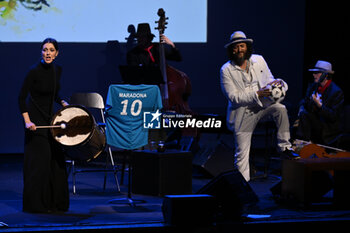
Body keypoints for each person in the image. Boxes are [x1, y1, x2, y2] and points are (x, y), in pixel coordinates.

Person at [220, 31, 299, 181]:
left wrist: (279, 83)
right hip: (243, 114)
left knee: (280, 109)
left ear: (247, 47)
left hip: (263, 107)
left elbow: (270, 80)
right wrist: (257, 94)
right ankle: (243, 191)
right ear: (231, 50)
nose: (239, 50)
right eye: (235, 48)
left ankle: (284, 147)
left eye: (242, 46)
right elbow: (233, 97)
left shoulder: (259, 60)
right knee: (242, 155)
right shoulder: (226, 70)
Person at [18, 37, 69, 213]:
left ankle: (55, 203)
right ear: (41, 52)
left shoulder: (58, 70)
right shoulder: (34, 71)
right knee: (40, 163)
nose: (48, 53)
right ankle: (35, 205)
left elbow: (54, 92)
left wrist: (62, 101)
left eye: (51, 50)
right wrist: (27, 121)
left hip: (51, 121)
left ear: (57, 53)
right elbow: (21, 98)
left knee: (56, 161)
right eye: (45, 50)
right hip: (35, 120)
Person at [295, 60, 344, 146]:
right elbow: (304, 101)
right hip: (314, 122)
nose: (314, 75)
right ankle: (301, 142)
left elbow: (333, 116)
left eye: (317, 73)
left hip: (327, 127)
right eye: (314, 73)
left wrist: (320, 106)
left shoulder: (336, 92)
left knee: (305, 116)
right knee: (303, 115)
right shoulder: (313, 86)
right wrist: (301, 108)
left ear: (325, 75)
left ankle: (302, 143)